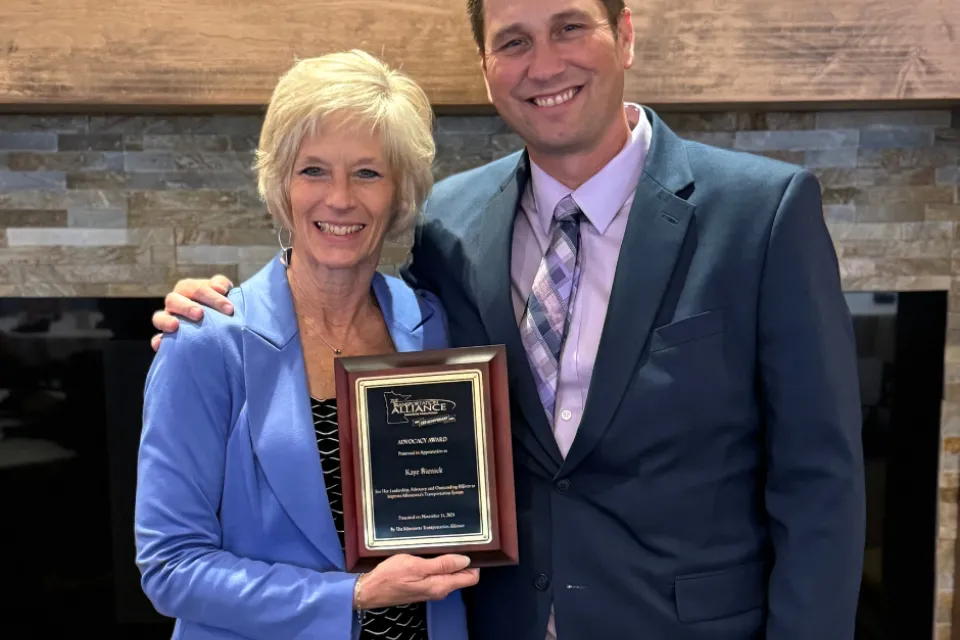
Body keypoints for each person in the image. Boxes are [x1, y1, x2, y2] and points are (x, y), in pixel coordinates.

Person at [150, 0, 866, 638]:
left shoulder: (762, 214)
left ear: (625, 34)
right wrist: (211, 311)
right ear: (487, 67)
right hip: (499, 621)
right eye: (514, 40)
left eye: (570, 27)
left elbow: (819, 480)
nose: (544, 64)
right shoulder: (452, 228)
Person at [134, 50, 477, 640]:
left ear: (400, 194)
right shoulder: (205, 343)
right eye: (313, 170)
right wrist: (354, 597)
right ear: (281, 186)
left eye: (367, 173)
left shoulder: (433, 327)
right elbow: (172, 568)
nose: (339, 198)